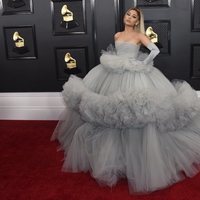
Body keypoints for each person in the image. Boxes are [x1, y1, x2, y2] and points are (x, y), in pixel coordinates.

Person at [51, 7, 200, 194]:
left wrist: (142, 63)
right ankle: (113, 152)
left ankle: (137, 154)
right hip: (112, 73)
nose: (129, 17)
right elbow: (118, 53)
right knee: (113, 110)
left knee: (136, 110)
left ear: (138, 21)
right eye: (128, 14)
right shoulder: (117, 34)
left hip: (135, 74)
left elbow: (154, 50)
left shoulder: (140, 35)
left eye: (134, 16)